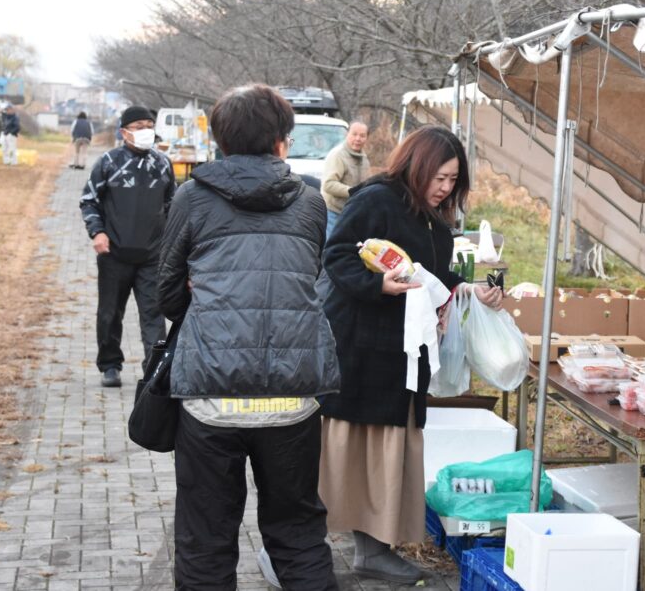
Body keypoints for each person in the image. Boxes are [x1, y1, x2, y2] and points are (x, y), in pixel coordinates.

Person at [157, 84, 340, 590]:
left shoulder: (191, 197)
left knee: (206, 538)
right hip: (293, 397)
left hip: (211, 396)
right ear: (283, 140)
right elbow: (306, 282)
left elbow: (166, 294)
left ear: (220, 141)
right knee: (299, 532)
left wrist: (205, 300)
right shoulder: (309, 203)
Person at [320, 124, 503, 584]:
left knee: (390, 450)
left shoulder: (434, 219)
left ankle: (375, 550)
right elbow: (337, 255)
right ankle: (301, 547)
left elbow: (435, 279)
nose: (445, 189)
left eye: (453, 181)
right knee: (351, 450)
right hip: (361, 349)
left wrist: (472, 292)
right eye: (439, 177)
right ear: (416, 165)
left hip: (405, 356)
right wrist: (375, 285)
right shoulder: (376, 199)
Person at [79, 106, 173, 388]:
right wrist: (97, 232)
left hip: (152, 256)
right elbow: (89, 200)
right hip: (114, 253)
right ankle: (110, 364)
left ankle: (155, 370)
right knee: (109, 313)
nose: (146, 130)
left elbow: (173, 206)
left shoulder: (163, 164)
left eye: (149, 125)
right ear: (124, 132)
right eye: (138, 126)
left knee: (154, 315)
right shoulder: (109, 162)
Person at [320, 121, 370, 239]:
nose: (358, 139)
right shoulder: (338, 155)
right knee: (330, 249)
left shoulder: (364, 159)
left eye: (362, 136)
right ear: (347, 134)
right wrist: (353, 191)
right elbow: (328, 184)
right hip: (333, 212)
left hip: (351, 212)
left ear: (367, 138)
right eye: (354, 134)